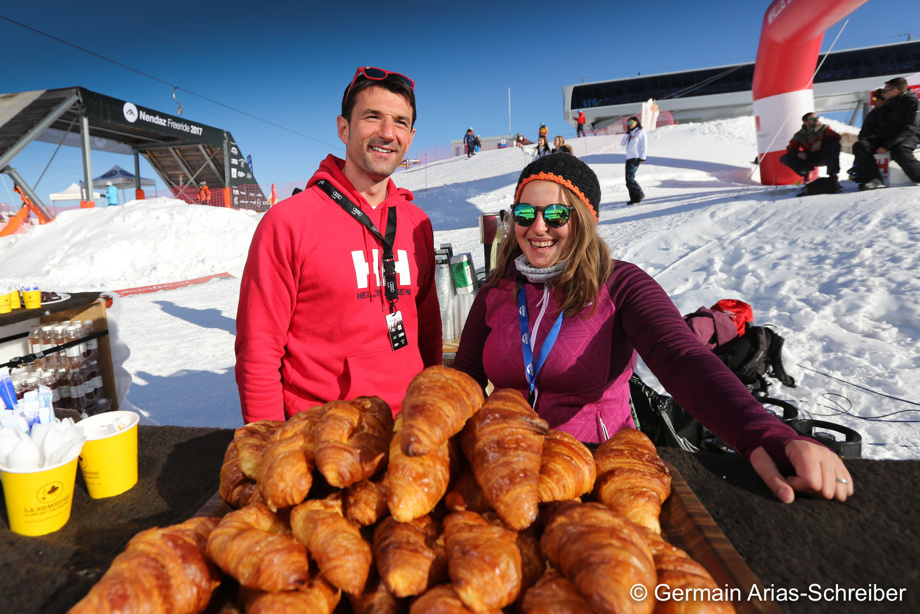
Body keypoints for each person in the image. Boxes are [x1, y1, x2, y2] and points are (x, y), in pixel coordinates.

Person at [452, 153, 853, 504]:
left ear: (585, 220)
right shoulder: (497, 289)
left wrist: (762, 431)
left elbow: (683, 358)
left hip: (598, 469)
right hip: (509, 465)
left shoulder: (620, 284)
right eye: (524, 213)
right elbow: (465, 378)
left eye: (556, 214)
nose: (537, 227)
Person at [235, 66, 442, 424]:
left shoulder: (415, 223)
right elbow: (258, 350)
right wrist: (269, 446)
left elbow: (428, 332)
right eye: (372, 117)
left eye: (400, 122)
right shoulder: (289, 222)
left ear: (410, 137)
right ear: (343, 128)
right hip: (323, 437)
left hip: (406, 431)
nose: (387, 133)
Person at [852, 77, 920, 190]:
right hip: (890, 135)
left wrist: (887, 145)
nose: (883, 93)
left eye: (885, 91)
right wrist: (875, 136)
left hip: (909, 134)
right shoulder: (889, 103)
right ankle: (874, 179)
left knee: (899, 151)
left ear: (895, 91)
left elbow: (911, 127)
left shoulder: (912, 102)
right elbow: (881, 123)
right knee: (861, 146)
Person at [779, 113, 842, 184]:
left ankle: (832, 175)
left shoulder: (824, 128)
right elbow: (790, 148)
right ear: (806, 122)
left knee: (835, 144)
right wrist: (798, 153)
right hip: (810, 157)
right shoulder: (800, 135)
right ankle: (807, 173)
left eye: (817, 118)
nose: (816, 120)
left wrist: (821, 141)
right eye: (813, 119)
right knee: (785, 158)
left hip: (824, 155)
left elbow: (837, 137)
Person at [847, 89, 886, 182]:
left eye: (876, 98)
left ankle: (874, 178)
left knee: (862, 146)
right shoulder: (872, 114)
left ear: (883, 99)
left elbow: (889, 128)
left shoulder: (889, 112)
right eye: (873, 99)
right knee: (860, 145)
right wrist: (865, 137)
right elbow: (863, 130)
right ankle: (859, 170)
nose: (873, 101)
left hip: (883, 140)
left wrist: (876, 135)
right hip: (870, 141)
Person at [621, 116, 647, 204]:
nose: (629, 124)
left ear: (636, 122)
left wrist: (643, 156)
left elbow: (644, 145)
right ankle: (634, 198)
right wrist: (627, 133)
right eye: (628, 123)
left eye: (631, 122)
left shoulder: (640, 132)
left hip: (635, 157)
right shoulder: (630, 134)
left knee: (630, 178)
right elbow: (622, 143)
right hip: (629, 158)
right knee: (628, 179)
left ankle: (639, 195)